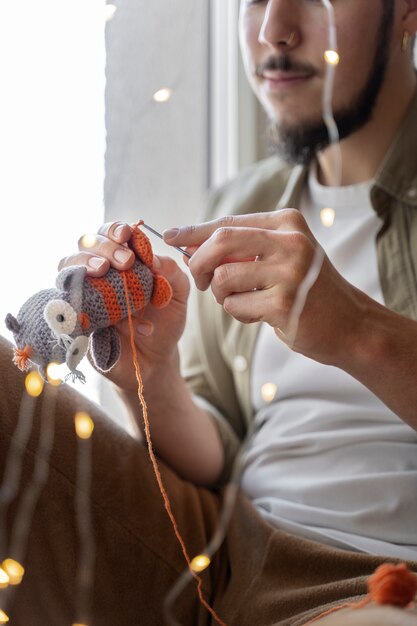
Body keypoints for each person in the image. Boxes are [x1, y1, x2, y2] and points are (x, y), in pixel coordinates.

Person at [1, 0, 417, 624]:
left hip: (376, 583)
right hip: (212, 547)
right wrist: (153, 371)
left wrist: (358, 332)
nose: (275, 30)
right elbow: (218, 455)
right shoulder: (246, 201)